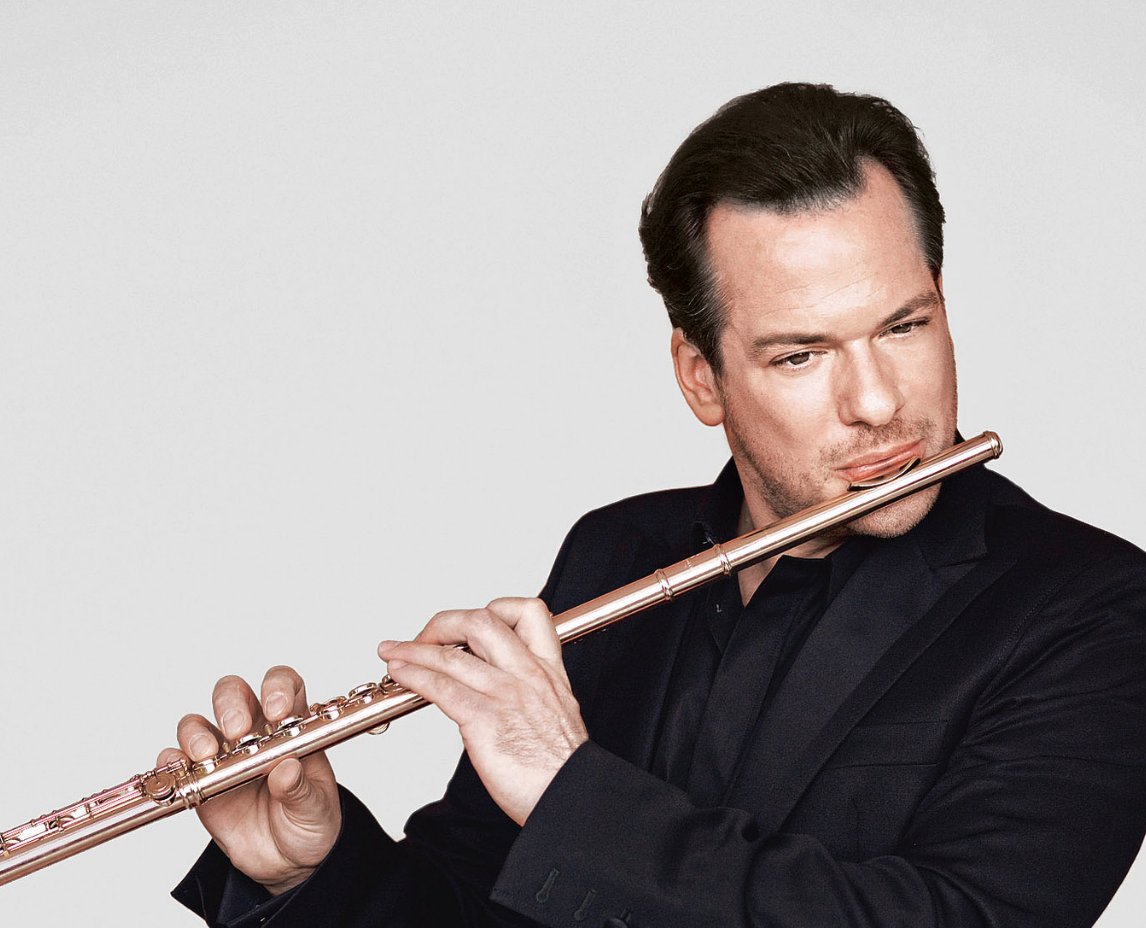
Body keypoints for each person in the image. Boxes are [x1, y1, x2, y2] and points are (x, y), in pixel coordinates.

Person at [165, 83, 1146, 927]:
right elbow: (483, 901)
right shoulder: (617, 550)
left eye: (903, 326)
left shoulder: (1090, 610)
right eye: (800, 354)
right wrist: (306, 870)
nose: (879, 402)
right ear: (700, 375)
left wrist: (572, 796)